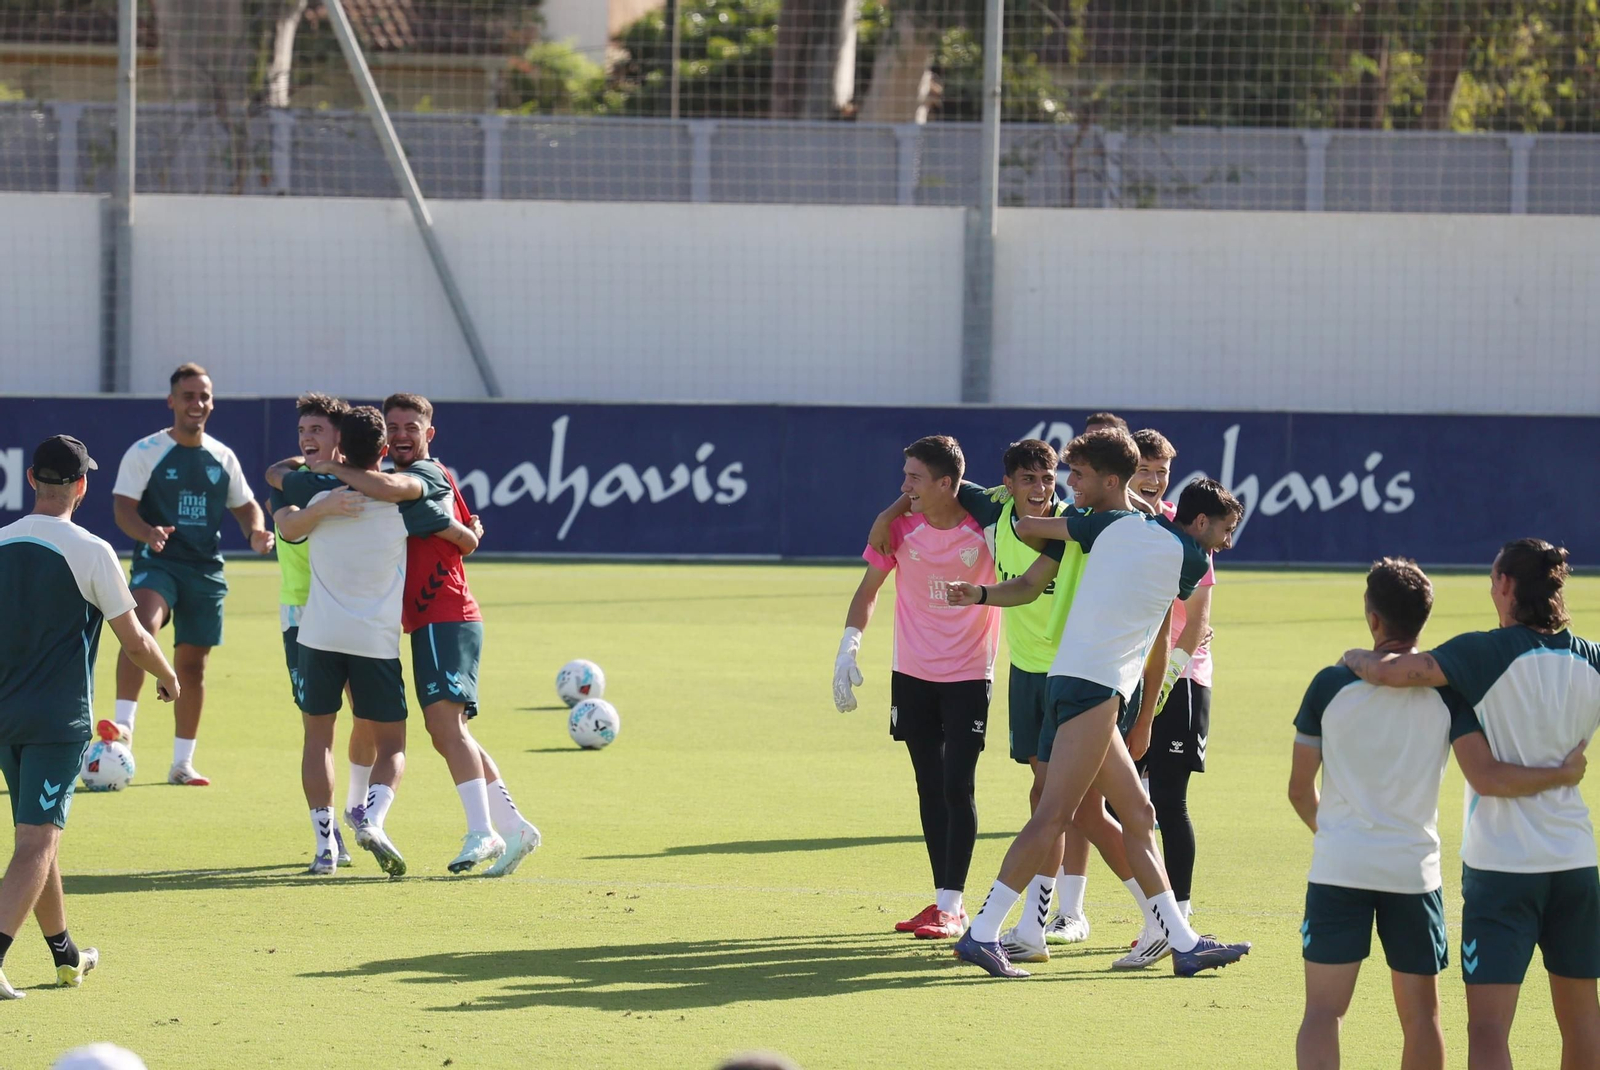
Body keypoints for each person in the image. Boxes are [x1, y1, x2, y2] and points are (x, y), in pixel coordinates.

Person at [945, 428, 1250, 979]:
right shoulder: (1175, 548)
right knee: (1054, 815)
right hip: (1093, 686)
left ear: (1110, 481)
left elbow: (1028, 525)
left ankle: (1182, 941)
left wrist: (1087, 504)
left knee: (1138, 814)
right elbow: (1141, 534)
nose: (1069, 486)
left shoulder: (1097, 525)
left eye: (1079, 476)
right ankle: (983, 933)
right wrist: (1125, 501)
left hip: (1080, 682)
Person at [1290, 557, 1588, 1070]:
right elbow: (1483, 771)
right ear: (1423, 619)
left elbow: (1299, 791)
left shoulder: (1328, 685)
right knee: (1423, 1019)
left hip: (1341, 866)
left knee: (1323, 1013)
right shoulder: (1448, 694)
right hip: (1415, 873)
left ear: (1372, 617)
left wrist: (1333, 832)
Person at [866, 439, 1151, 962]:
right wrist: (888, 513)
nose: (1042, 488)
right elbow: (936, 485)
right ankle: (1108, 923)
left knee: (1075, 806)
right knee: (1062, 805)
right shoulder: (992, 507)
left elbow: (1030, 584)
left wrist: (980, 593)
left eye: (1050, 478)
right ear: (1007, 485)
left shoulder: (1072, 522)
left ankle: (1143, 918)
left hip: (1078, 676)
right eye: (1029, 480)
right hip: (1029, 675)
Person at [306, 393, 542, 877]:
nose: (401, 435)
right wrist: (464, 533)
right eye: (392, 427)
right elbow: (463, 533)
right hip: (431, 618)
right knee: (451, 731)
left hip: (444, 613)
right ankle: (514, 826)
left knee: (444, 728)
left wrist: (332, 466)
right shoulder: (419, 478)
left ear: (429, 433)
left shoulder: (424, 474)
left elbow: (401, 493)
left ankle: (483, 831)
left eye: (411, 427)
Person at [0, 436, 180, 999]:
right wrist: (168, 675)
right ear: (82, 485)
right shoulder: (92, 549)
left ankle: (66, 956)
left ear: (31, 479)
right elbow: (136, 639)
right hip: (56, 721)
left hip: (4, 716)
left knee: (36, 834)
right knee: (37, 840)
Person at [268, 407, 477, 877]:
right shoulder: (402, 503)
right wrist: (471, 533)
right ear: (384, 449)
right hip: (374, 643)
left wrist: (315, 477)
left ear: (340, 446)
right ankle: (371, 819)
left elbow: (278, 482)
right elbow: (459, 537)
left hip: (318, 634)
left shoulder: (314, 491)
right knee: (393, 745)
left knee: (317, 740)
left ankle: (325, 848)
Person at [834, 435, 1000, 939]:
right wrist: (848, 648)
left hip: (969, 673)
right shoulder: (899, 527)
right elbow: (868, 590)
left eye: (914, 477)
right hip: (912, 673)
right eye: (904, 475)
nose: (904, 485)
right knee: (929, 784)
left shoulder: (987, 528)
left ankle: (953, 905)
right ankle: (945, 901)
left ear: (946, 484)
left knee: (957, 785)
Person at [105, 363, 274, 786]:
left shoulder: (222, 456)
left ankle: (182, 763)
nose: (197, 403)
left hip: (205, 570)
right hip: (158, 562)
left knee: (193, 666)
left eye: (204, 396)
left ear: (211, 403)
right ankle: (123, 727)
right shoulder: (145, 451)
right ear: (172, 401)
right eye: (188, 396)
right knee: (142, 625)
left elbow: (246, 505)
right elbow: (123, 508)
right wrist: (147, 532)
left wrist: (256, 532)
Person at [1114, 427, 1217, 968]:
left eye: (1162, 472)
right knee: (1119, 803)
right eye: (1145, 471)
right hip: (1127, 677)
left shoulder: (1186, 529)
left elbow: (1197, 622)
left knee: (1169, 803)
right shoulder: (1118, 525)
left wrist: (1165, 685)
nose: (1155, 481)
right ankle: (1161, 919)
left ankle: (1178, 921)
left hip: (1180, 682)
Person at [267, 393, 377, 867]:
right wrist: (324, 503)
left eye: (317, 430)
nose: (306, 439)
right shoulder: (290, 483)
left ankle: (355, 809)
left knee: (368, 720)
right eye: (302, 431)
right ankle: (325, 841)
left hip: (355, 611)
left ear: (339, 437)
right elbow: (288, 523)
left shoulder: (364, 482)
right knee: (319, 729)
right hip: (303, 615)